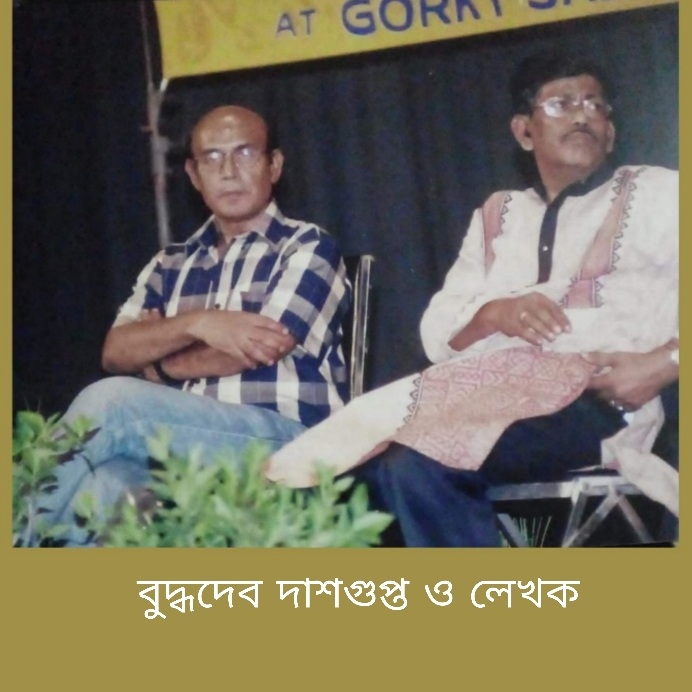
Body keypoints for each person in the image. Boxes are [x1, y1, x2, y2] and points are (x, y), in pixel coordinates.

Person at [266, 52, 679, 546]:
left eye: (595, 104)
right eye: (562, 104)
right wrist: (495, 314)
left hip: (596, 401)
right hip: (488, 396)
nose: (582, 115)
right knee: (339, 478)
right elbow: (437, 333)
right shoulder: (498, 214)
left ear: (610, 133)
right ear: (524, 131)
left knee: (417, 468)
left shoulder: (659, 192)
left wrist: (666, 362)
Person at [36, 105, 350, 546]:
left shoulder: (307, 247)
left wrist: (159, 364)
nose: (228, 171)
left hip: (285, 440)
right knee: (105, 482)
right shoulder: (169, 263)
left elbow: (261, 346)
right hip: (184, 443)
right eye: (212, 157)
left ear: (274, 165)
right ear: (193, 174)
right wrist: (201, 323)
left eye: (244, 153)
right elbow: (116, 352)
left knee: (112, 403)